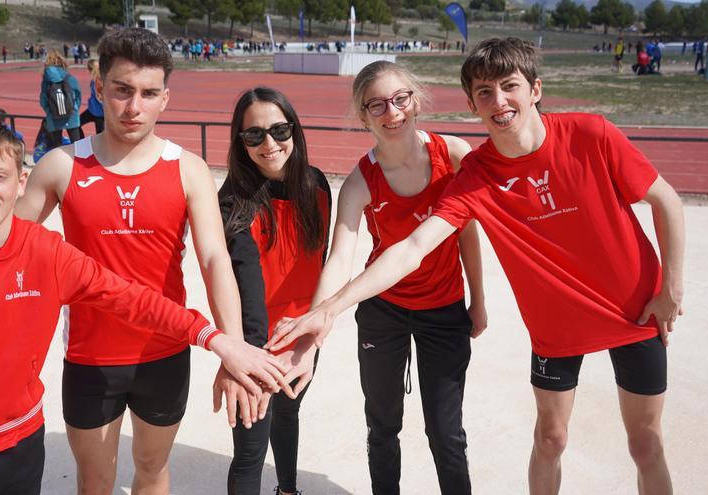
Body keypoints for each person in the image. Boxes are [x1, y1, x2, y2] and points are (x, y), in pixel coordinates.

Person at [270, 37, 684, 495]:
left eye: (510, 87)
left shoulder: (583, 135)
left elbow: (665, 200)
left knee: (646, 446)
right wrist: (323, 314)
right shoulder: (476, 173)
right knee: (549, 437)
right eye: (485, 92)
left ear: (536, 89)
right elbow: (408, 249)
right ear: (470, 102)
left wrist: (671, 290)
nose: (499, 101)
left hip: (631, 312)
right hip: (546, 326)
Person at [0, 118, 289, 495]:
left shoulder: (48, 254)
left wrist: (218, 339)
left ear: (20, 182)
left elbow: (133, 299)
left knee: (150, 466)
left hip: (17, 436)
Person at [15, 27, 268, 495]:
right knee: (95, 481)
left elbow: (214, 259)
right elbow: (5, 248)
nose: (134, 107)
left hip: (164, 353)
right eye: (122, 90)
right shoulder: (61, 166)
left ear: (165, 99)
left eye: (149, 94)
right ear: (98, 90)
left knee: (151, 470)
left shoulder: (187, 168)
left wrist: (232, 349)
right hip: (91, 357)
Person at [287, 60, 488, 494]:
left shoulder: (453, 155)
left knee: (446, 432)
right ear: (363, 116)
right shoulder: (361, 181)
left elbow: (467, 235)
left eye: (400, 99)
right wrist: (314, 327)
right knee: (382, 427)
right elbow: (339, 258)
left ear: (415, 101)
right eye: (376, 105)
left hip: (444, 309)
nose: (391, 112)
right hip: (384, 312)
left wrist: (479, 299)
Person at [220, 87, 331, 495]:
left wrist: (310, 338)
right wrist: (247, 358)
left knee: (288, 416)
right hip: (256, 344)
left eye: (279, 130)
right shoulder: (233, 201)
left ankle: (288, 490)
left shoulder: (317, 184)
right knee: (250, 453)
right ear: (240, 142)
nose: (269, 144)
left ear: (294, 131)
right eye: (254, 136)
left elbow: (320, 263)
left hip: (302, 337)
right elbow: (244, 283)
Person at [38, 50, 82, 151]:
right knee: (78, 147)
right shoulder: (70, 78)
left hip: (53, 117)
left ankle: (61, 166)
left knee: (58, 149)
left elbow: (43, 101)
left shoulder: (46, 81)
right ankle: (77, 166)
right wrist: (74, 109)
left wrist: (49, 112)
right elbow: (78, 96)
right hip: (72, 115)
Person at [79, 59, 105, 135]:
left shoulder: (98, 81)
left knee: (100, 135)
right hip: (92, 110)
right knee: (77, 124)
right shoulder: (95, 79)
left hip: (100, 113)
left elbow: (101, 98)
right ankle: (82, 143)